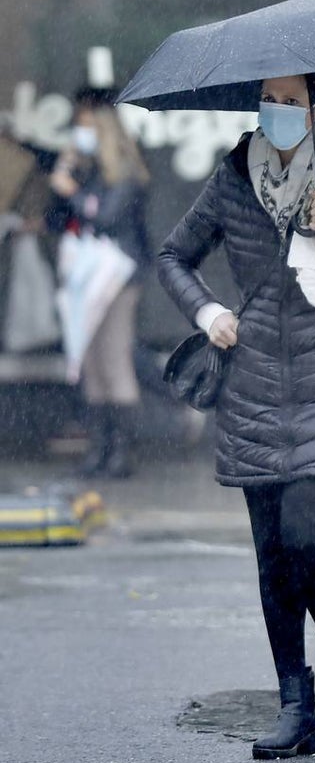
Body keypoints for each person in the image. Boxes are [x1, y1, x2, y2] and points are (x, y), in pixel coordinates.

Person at [156, 72, 315, 760]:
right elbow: (174, 255)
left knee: (304, 531)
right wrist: (208, 311)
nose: (277, 112)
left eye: (292, 102)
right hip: (254, 376)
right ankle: (294, 703)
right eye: (269, 100)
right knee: (271, 550)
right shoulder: (236, 174)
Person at [48, 86, 151, 478]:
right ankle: (100, 446)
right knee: (90, 362)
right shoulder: (89, 170)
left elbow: (105, 217)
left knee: (114, 359)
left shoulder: (125, 173)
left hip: (117, 278)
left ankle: (122, 450)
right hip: (85, 277)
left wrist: (73, 192)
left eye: (87, 124)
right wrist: (69, 173)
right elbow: (61, 217)